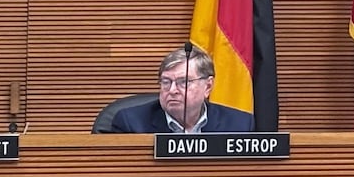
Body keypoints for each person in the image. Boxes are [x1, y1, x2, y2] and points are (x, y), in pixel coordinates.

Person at [106, 45, 255, 133]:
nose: (172, 90)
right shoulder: (131, 123)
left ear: (208, 86)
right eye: (166, 81)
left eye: (183, 82)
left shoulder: (238, 125)